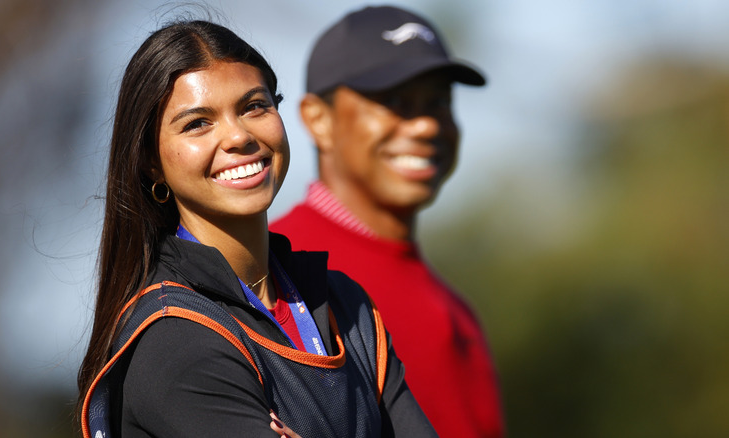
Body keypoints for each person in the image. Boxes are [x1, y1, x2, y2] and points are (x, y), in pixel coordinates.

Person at [75, 17, 438, 438]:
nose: (238, 136)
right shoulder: (175, 338)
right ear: (151, 162)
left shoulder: (347, 306)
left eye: (254, 106)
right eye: (197, 123)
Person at [270, 5, 504, 438]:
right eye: (394, 100)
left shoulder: (457, 310)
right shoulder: (268, 272)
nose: (425, 126)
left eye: (438, 101)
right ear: (317, 119)